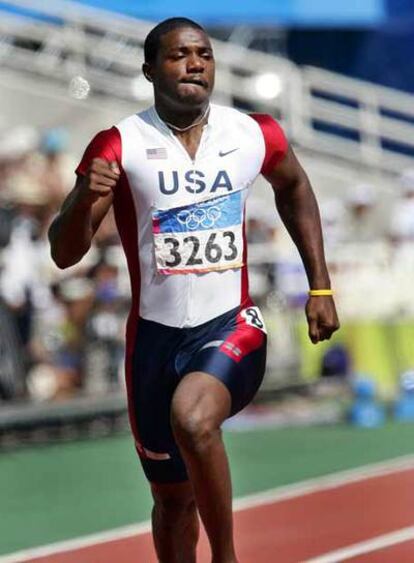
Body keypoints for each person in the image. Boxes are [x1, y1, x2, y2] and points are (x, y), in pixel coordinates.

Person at [48, 17, 339, 563]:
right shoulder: (119, 143)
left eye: (203, 54)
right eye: (179, 55)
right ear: (150, 69)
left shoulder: (253, 134)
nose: (195, 63)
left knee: (194, 418)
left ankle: (226, 557)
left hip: (231, 327)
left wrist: (319, 287)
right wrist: (83, 198)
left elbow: (295, 185)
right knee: (172, 501)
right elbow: (65, 252)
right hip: (154, 344)